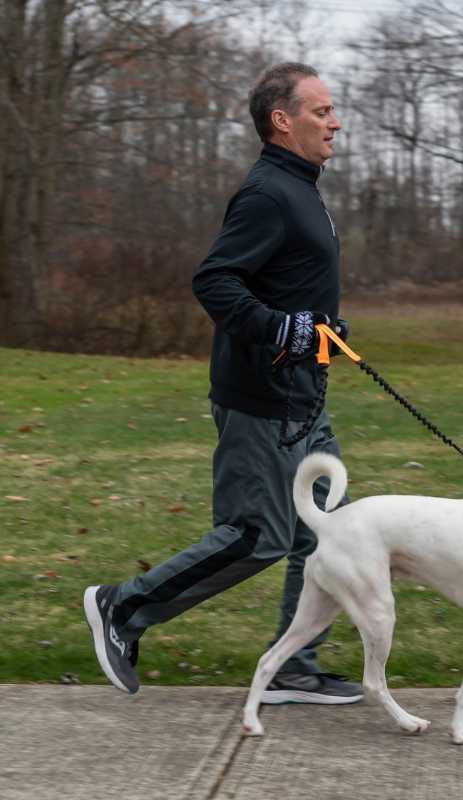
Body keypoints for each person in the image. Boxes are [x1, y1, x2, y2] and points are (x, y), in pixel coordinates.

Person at [83, 62, 362, 705]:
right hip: (260, 400)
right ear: (281, 121)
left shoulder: (302, 187)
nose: (336, 122)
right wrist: (283, 332)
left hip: (302, 398)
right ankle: (121, 608)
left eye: (333, 110)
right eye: (322, 111)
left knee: (324, 533)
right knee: (255, 535)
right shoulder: (268, 192)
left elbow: (283, 284)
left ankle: (294, 668)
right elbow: (215, 280)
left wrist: (319, 328)